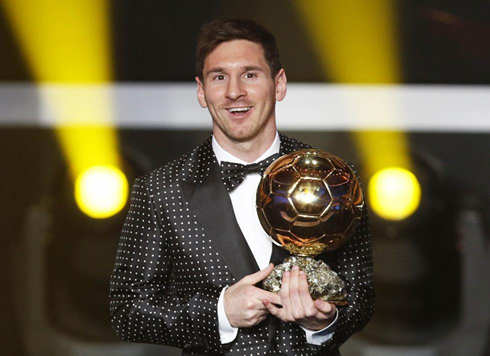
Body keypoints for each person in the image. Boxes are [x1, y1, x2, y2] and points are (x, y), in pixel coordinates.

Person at [110, 18, 375, 356]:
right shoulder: (161, 189)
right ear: (201, 91)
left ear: (279, 85)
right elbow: (127, 310)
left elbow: (362, 295)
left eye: (250, 74)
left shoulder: (337, 179)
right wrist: (220, 312)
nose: (234, 91)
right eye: (219, 77)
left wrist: (323, 323)